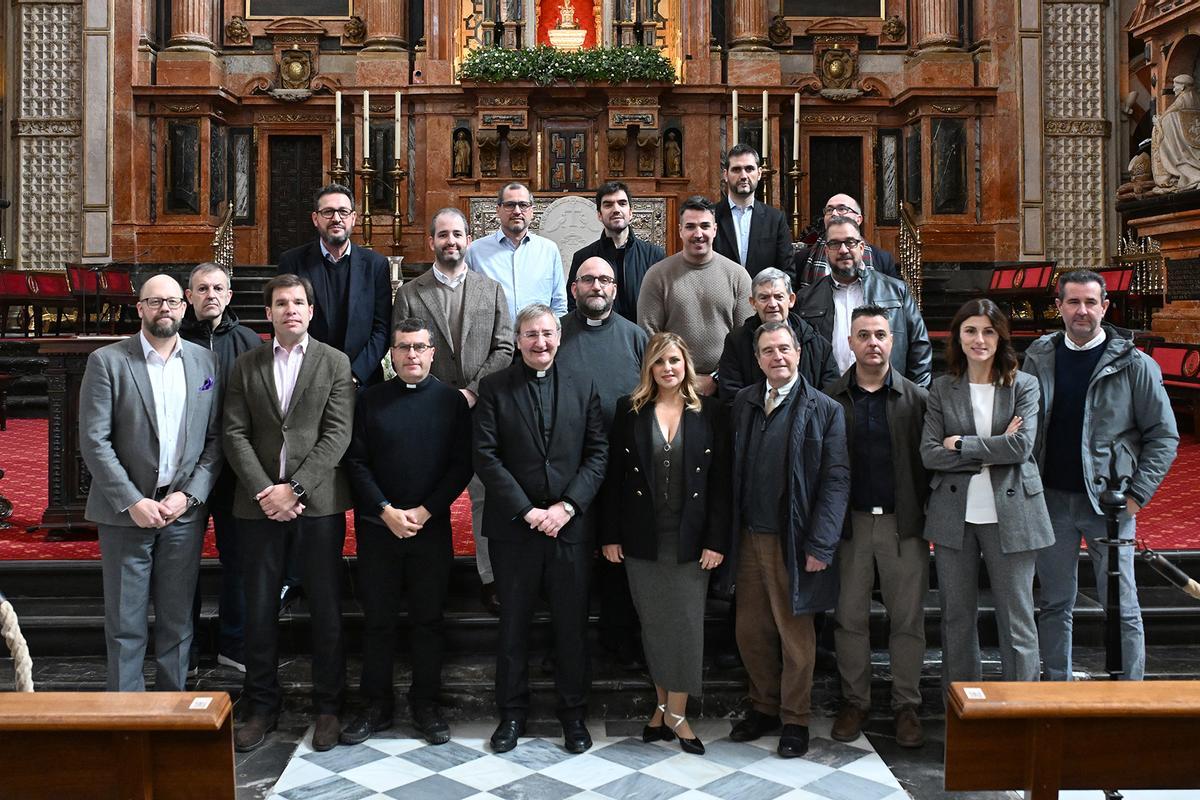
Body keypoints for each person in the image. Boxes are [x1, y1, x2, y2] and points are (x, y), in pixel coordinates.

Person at [1024, 270, 1179, 681]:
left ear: (1105, 307)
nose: (1082, 311)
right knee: (1055, 602)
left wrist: (1137, 495)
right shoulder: (1039, 355)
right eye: (1073, 302)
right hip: (1051, 499)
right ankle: (1057, 686)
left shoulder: (1135, 365)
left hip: (1110, 503)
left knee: (1122, 603)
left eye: (1091, 302)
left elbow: (1163, 436)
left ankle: (1129, 693)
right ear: (1058, 306)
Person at [223, 274, 355, 753]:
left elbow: (337, 435)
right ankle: (260, 705)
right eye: (281, 303)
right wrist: (266, 490)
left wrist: (295, 488)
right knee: (259, 608)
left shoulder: (335, 363)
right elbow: (234, 433)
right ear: (269, 313)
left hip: (318, 504)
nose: (290, 310)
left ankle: (328, 707)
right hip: (258, 508)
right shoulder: (246, 364)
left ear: (311, 311)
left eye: (298, 302)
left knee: (325, 607)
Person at [473, 303, 608, 755]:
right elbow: (486, 456)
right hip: (516, 531)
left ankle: (573, 714)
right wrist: (529, 511)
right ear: (518, 340)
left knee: (571, 627)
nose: (541, 342)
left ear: (559, 336)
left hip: (569, 529)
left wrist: (568, 507)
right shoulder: (494, 388)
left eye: (548, 333)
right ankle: (511, 713)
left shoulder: (582, 384)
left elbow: (597, 453)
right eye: (531, 334)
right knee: (513, 627)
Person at [79, 274, 223, 693]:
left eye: (174, 301)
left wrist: (188, 496)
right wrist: (132, 500)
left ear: (185, 307)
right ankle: (127, 717)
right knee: (126, 624)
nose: (166, 308)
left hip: (182, 513)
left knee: (178, 622)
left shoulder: (203, 362)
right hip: (127, 513)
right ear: (139, 307)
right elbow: (94, 440)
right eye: (155, 301)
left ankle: (171, 711)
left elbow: (214, 441)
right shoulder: (108, 361)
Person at [341, 318, 473, 746]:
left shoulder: (451, 402)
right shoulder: (370, 399)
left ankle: (426, 704)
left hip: (429, 528)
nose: (412, 355)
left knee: (428, 621)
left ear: (433, 352)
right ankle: (375, 706)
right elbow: (356, 461)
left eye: (419, 347)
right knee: (378, 621)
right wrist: (385, 510)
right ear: (391, 354)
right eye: (403, 348)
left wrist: (425, 510)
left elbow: (461, 465)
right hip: (378, 528)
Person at [600, 332, 730, 755]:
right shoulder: (630, 410)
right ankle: (661, 707)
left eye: (674, 360)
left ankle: (677, 713)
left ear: (686, 365)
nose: (668, 368)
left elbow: (720, 485)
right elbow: (615, 481)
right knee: (654, 625)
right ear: (649, 369)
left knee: (687, 627)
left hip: (691, 540)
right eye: (660, 362)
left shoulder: (709, 411)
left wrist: (715, 540)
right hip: (643, 537)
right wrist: (611, 534)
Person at [725, 321, 850, 758]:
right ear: (757, 359)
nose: (777, 356)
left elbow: (836, 479)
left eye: (784, 348)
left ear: (798, 352)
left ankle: (795, 718)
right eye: (767, 350)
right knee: (750, 631)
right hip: (748, 538)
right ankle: (763, 707)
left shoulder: (824, 408)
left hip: (794, 542)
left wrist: (822, 544)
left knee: (796, 635)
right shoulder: (742, 402)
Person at [920, 298, 1053, 685]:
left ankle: (1021, 710)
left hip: (1012, 513)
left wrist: (960, 444)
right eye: (971, 330)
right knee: (957, 617)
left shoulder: (1024, 384)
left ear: (1001, 337)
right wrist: (994, 446)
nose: (980, 339)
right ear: (958, 337)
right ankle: (964, 711)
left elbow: (1021, 448)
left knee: (1018, 619)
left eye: (989, 331)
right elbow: (929, 453)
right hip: (954, 515)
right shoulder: (942, 388)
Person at [392, 207, 514, 615]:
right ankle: (429, 579)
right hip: (428, 414)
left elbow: (505, 347)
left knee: (483, 495)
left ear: (468, 239)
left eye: (458, 234)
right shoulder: (411, 293)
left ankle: (490, 577)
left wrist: (472, 392)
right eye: (443, 235)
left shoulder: (491, 289)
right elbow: (403, 352)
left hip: (481, 412)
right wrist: (438, 396)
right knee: (428, 494)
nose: (451, 242)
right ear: (431, 242)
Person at [825, 305, 929, 748]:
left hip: (903, 527)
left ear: (893, 341)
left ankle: (906, 703)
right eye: (863, 334)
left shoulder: (917, 401)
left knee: (907, 620)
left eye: (880, 334)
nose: (872, 342)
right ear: (849, 342)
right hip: (850, 526)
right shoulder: (830, 398)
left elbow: (929, 468)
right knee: (849, 619)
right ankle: (856, 701)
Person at [559, 256, 648, 668]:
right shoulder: (554, 334)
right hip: (568, 469)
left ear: (615, 289)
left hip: (622, 468)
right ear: (574, 287)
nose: (597, 286)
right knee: (571, 564)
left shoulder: (635, 336)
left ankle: (620, 640)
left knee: (619, 559)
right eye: (588, 279)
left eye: (605, 280)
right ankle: (566, 646)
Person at [180, 262, 262, 673]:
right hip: (184, 473)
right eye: (201, 288)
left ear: (229, 296)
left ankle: (235, 643)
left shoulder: (248, 341)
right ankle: (186, 649)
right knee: (181, 561)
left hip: (234, 472)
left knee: (239, 559)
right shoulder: (173, 339)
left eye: (218, 288)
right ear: (189, 296)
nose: (210, 294)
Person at [277, 183, 392, 389]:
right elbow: (286, 321)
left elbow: (382, 329)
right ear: (315, 218)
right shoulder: (292, 262)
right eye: (328, 212)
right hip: (308, 381)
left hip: (363, 384)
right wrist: (312, 373)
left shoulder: (376, 265)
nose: (336, 218)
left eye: (343, 212)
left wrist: (355, 375)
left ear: (353, 218)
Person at [638, 196, 754, 397]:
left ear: (715, 230)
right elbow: (649, 336)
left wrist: (717, 378)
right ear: (680, 230)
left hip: (727, 387)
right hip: (671, 387)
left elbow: (746, 338)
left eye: (704, 226)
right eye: (690, 226)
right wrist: (681, 378)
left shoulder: (738, 276)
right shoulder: (657, 276)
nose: (698, 234)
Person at [795, 215, 931, 387]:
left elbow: (920, 349)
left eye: (850, 242)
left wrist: (913, 399)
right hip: (827, 401)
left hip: (888, 398)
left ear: (861, 247)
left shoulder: (896, 291)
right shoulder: (806, 298)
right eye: (835, 244)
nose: (843, 250)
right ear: (827, 251)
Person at [718, 267, 838, 405]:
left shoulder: (816, 342)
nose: (772, 304)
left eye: (778, 297)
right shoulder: (737, 342)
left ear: (791, 300)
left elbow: (830, 397)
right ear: (753, 303)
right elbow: (731, 397)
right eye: (764, 298)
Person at [466, 182, 567, 321]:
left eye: (523, 205)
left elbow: (559, 305)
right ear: (498, 210)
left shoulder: (549, 250)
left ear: (531, 210)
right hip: (491, 340)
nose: (517, 211)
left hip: (537, 339)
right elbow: (466, 303)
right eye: (510, 205)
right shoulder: (475, 251)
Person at [567, 181, 665, 321]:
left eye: (622, 203)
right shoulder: (583, 257)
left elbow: (662, 305)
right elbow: (573, 304)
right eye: (608, 204)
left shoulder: (654, 256)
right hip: (598, 339)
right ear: (599, 215)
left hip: (642, 339)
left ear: (630, 213)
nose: (616, 209)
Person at [713, 144, 795, 285]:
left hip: (764, 303)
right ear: (725, 175)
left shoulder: (775, 219)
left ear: (759, 173)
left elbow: (787, 273)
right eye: (736, 169)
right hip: (721, 303)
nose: (743, 176)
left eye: (749, 169)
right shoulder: (711, 216)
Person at [794, 194, 901, 287]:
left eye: (842, 209)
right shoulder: (802, 259)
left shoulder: (882, 259)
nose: (834, 214)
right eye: (829, 210)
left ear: (858, 219)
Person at [1152, 74, 1200, 193]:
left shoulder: (1181, 101)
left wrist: (1158, 122)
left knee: (1158, 131)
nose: (1173, 89)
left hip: (1183, 150)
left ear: (1183, 87)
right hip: (1194, 146)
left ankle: (1179, 174)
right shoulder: (1196, 98)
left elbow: (1166, 119)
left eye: (1175, 86)